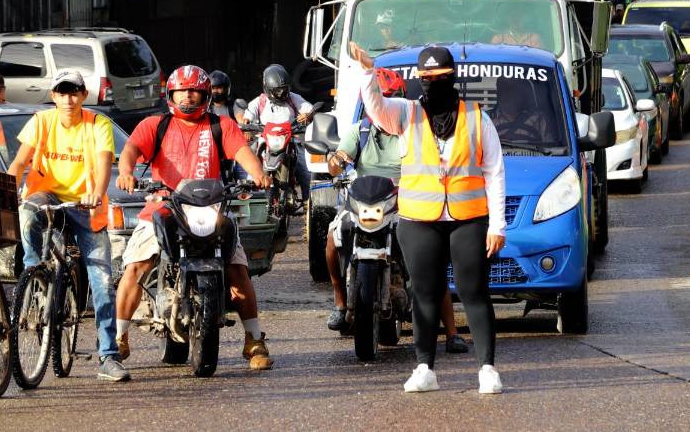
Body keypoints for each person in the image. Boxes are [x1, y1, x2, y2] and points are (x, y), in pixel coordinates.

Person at [350, 41, 506, 395]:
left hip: (469, 218)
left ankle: (487, 368)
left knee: (473, 291)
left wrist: (498, 225)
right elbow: (375, 108)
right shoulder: (405, 113)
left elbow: (495, 171)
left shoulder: (477, 118)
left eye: (437, 77)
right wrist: (366, 71)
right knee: (424, 293)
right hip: (419, 220)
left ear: (452, 77)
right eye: (424, 77)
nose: (430, 82)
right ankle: (424, 368)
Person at [115, 65, 276, 370]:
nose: (188, 96)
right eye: (182, 91)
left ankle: (254, 339)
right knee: (136, 265)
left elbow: (242, 151)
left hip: (209, 208)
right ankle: (118, 338)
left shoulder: (220, 125)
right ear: (171, 94)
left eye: (194, 91)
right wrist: (126, 172)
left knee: (238, 267)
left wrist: (258, 173)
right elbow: (132, 149)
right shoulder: (155, 125)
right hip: (163, 207)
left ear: (205, 94)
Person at [323, 68, 469, 354]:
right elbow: (341, 156)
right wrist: (337, 161)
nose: (383, 107)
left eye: (389, 100)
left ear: (400, 103)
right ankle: (340, 303)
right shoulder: (359, 131)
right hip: (362, 204)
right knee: (330, 242)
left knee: (432, 260)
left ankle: (452, 333)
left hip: (405, 204)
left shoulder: (414, 132)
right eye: (378, 100)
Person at [6, 69, 129, 382]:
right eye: (62, 92)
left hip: (86, 207)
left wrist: (96, 192)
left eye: (74, 92)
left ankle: (108, 355)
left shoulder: (97, 124)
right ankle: (34, 273)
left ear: (83, 96)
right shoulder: (41, 122)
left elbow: (103, 165)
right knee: (27, 212)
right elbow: (20, 163)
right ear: (54, 96)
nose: (68, 98)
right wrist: (5, 189)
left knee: (101, 282)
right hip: (49, 199)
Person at [240, 64, 315, 207]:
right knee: (251, 173)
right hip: (265, 142)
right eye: (277, 91)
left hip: (291, 140)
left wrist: (307, 115)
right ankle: (249, 205)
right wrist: (246, 124)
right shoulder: (260, 101)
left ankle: (309, 205)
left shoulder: (293, 98)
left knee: (306, 173)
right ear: (267, 88)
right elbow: (248, 115)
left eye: (284, 90)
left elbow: (309, 109)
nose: (281, 94)